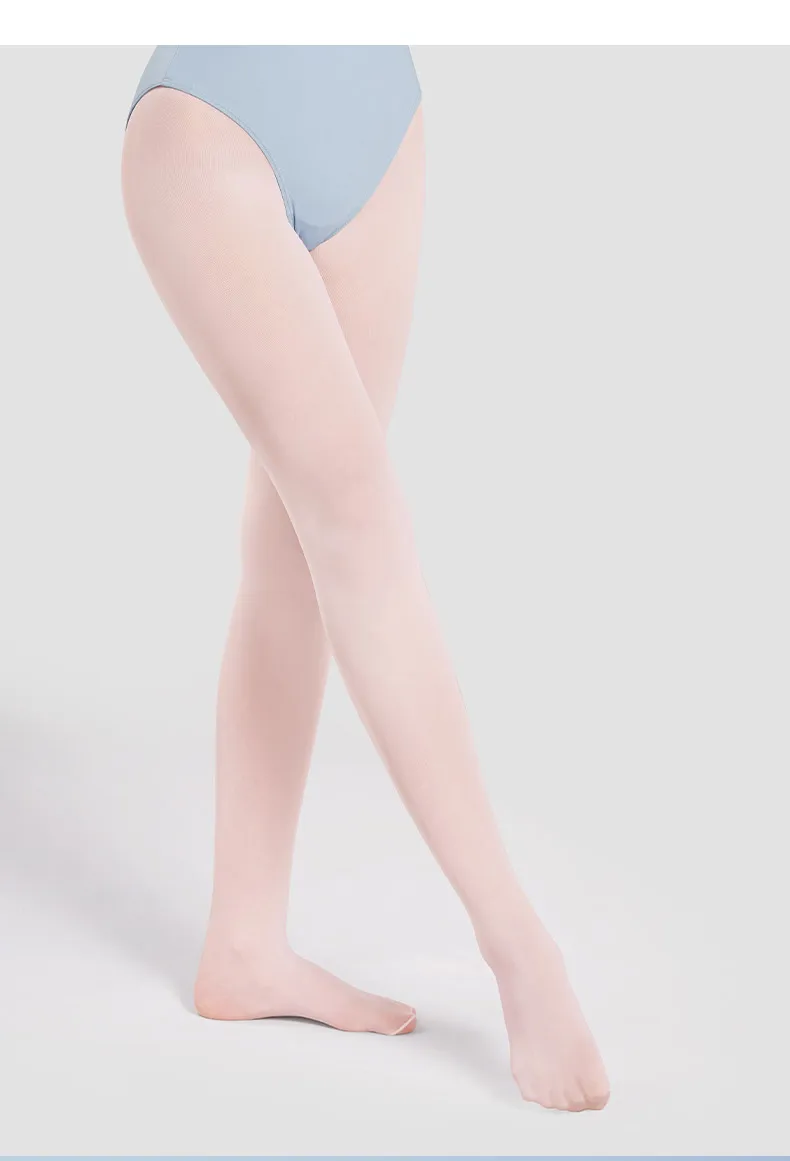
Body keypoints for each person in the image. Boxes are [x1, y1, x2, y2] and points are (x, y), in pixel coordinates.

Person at [121, 44, 609, 1113]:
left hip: (379, 115)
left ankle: (244, 945)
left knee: (299, 547)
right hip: (211, 125)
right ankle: (518, 943)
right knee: (359, 529)